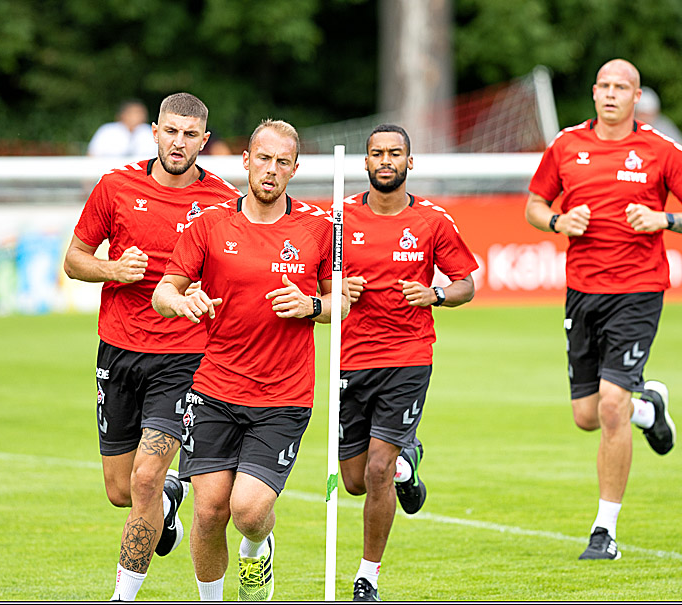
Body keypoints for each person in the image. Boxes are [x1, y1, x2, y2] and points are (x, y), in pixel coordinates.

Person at [524, 59, 682, 561]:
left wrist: (664, 218)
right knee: (587, 416)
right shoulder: (567, 145)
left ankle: (603, 531)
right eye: (604, 87)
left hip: (638, 290)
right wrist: (558, 222)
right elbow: (534, 205)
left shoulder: (660, 150)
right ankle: (648, 408)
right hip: (582, 292)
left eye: (622, 88)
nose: (611, 95)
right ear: (594, 94)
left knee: (610, 404)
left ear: (637, 97)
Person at [151, 119, 349, 602]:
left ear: (295, 169)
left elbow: (340, 301)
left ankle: (257, 550)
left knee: (248, 511)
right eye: (263, 159)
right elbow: (163, 291)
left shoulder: (318, 229)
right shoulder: (210, 224)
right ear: (246, 160)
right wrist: (179, 302)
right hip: (214, 389)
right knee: (208, 510)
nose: (271, 170)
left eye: (283, 162)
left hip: (284, 396)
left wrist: (314, 306)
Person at [64, 92, 242, 601]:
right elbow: (75, 260)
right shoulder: (116, 187)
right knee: (123, 490)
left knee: (143, 477)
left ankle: (123, 595)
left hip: (186, 357)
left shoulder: (223, 201)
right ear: (155, 133)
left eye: (190, 135)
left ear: (204, 141)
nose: (179, 143)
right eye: (171, 132)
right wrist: (112, 269)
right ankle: (168, 501)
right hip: (118, 351)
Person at [340, 124, 478, 601]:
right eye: (376, 153)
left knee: (377, 469)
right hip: (349, 360)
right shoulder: (338, 219)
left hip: (407, 357)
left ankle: (367, 578)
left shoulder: (432, 221)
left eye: (394, 153)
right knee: (357, 480)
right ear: (365, 161)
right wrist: (336, 292)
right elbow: (312, 277)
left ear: (409, 162)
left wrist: (435, 294)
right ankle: (408, 463)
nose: (385, 161)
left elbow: (467, 282)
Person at [634, 86, 682, 179]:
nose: (648, 119)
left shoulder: (662, 125)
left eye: (651, 114)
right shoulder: (626, 127)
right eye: (644, 114)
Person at [88, 99, 157, 159]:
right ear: (123, 114)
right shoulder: (107, 131)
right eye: (133, 113)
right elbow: (92, 154)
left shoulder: (149, 132)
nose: (137, 117)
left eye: (140, 113)